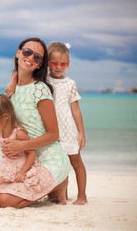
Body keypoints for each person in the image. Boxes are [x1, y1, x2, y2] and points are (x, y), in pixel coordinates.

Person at [0, 37, 70, 208]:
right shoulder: (13, 88)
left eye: (37, 57)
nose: (30, 58)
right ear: (18, 53)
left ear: (39, 65)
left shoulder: (40, 89)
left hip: (50, 160)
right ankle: (52, 187)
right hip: (28, 162)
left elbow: (54, 135)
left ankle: (60, 181)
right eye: (27, 52)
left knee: (5, 201)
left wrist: (21, 146)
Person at [46, 41, 87, 205]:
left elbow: (76, 110)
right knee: (56, 163)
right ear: (48, 63)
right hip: (50, 131)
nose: (58, 67)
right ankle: (60, 193)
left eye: (62, 64)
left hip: (68, 130)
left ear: (68, 64)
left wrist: (81, 132)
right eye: (54, 63)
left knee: (76, 162)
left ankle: (82, 195)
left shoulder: (70, 84)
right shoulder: (43, 81)